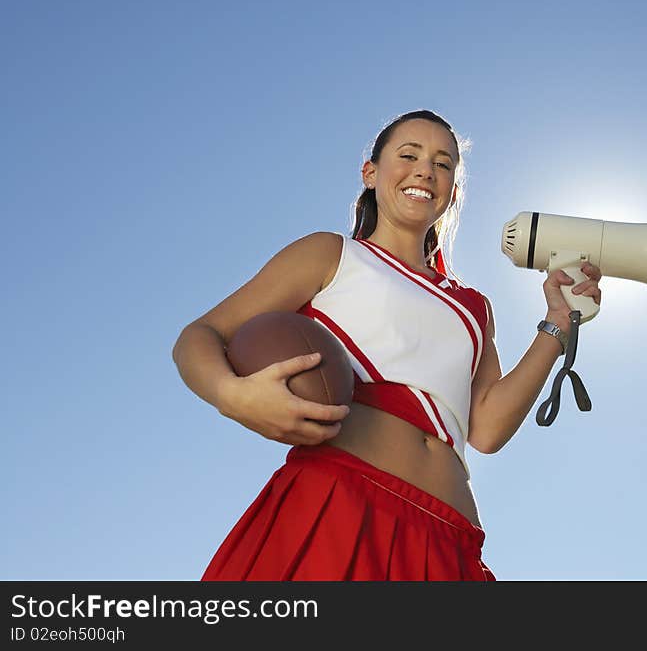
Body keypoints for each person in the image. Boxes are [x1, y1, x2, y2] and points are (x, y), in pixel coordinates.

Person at [171, 109, 602, 581]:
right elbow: (200, 336)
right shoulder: (331, 254)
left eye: (443, 163)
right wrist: (231, 395)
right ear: (371, 173)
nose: (425, 171)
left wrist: (556, 324)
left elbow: (487, 431)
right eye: (409, 155)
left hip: (449, 540)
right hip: (337, 504)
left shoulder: (472, 306)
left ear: (452, 192)